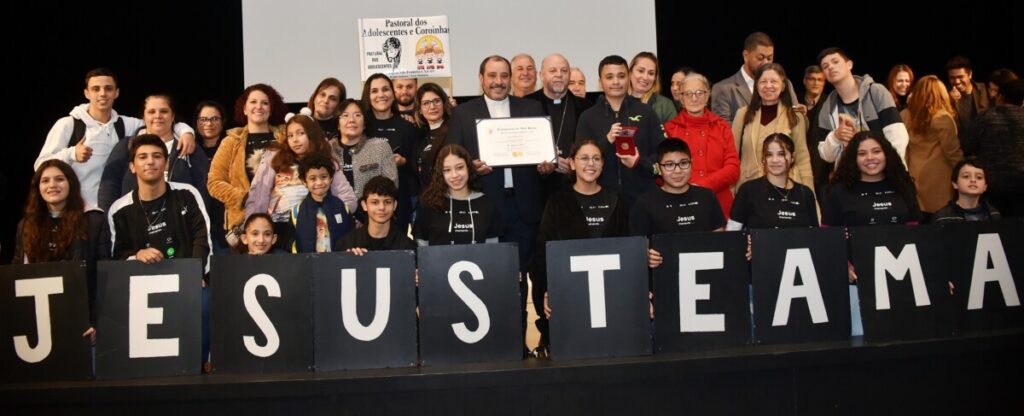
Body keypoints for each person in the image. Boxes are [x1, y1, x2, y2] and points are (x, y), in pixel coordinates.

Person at [35, 68, 195, 211]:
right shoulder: (68, 124)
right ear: (86, 93)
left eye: (108, 89)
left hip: (106, 210)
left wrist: (186, 132)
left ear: (116, 93)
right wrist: (71, 154)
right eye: (96, 89)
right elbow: (41, 166)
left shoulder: (124, 124)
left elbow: (158, 123)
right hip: (74, 210)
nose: (102, 93)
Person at [532, 138, 631, 356]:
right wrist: (547, 289)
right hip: (569, 296)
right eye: (584, 158)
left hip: (612, 299)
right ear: (572, 163)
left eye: (597, 158)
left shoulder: (618, 200)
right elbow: (543, 251)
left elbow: (629, 249)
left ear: (603, 164)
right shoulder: (557, 202)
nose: (591, 164)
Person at [13, 160, 109, 341]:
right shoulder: (26, 225)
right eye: (45, 181)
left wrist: (96, 321)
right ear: (37, 187)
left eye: (59, 179)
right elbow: (18, 271)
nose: (52, 185)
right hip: (38, 322)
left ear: (71, 184)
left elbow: (103, 277)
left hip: (81, 322)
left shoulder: (94, 221)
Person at [245, 114, 357, 250]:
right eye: (290, 135)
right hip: (277, 226)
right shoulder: (274, 157)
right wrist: (254, 226)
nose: (295, 140)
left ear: (312, 134)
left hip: (311, 226)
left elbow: (348, 201)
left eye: (300, 133)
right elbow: (258, 195)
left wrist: (326, 216)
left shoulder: (327, 162)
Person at [108, 134, 211, 267]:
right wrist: (137, 255)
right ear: (132, 166)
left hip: (187, 278)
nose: (150, 161)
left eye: (157, 156)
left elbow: (202, 239)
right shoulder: (118, 210)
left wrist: (196, 274)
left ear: (166, 163)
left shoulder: (188, 194)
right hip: (142, 282)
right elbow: (117, 256)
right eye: (143, 157)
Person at [576, 54, 664, 205]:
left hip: (643, 200)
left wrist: (638, 162)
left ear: (628, 77)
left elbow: (662, 157)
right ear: (600, 82)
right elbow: (580, 161)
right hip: (601, 202)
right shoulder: (587, 117)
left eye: (621, 76)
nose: (616, 82)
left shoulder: (647, 113)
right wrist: (606, 141)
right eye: (609, 77)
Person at [98, 94, 211, 212]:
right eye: (151, 112)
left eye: (164, 111)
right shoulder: (126, 146)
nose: (158, 116)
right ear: (143, 117)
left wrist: (198, 222)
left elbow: (204, 188)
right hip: (134, 224)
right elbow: (109, 188)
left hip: (180, 225)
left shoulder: (189, 146)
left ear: (173, 116)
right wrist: (108, 224)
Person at [208, 84, 287, 246]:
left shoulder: (285, 138)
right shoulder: (231, 141)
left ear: (271, 109)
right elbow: (214, 182)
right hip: (244, 223)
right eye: (253, 102)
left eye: (265, 103)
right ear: (244, 109)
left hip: (281, 221)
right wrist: (245, 198)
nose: (259, 106)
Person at [816, 47, 909, 166]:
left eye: (835, 61)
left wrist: (884, 167)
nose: (830, 67)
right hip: (850, 178)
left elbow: (897, 136)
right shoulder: (827, 107)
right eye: (825, 66)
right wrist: (835, 137)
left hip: (886, 173)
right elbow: (826, 156)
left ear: (849, 64)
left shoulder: (875, 92)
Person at [663, 72, 740, 216]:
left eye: (699, 92)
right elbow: (663, 171)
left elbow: (733, 168)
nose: (694, 98)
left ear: (707, 96)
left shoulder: (722, 127)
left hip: (719, 204)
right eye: (688, 93)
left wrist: (702, 187)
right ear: (681, 98)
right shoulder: (670, 129)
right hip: (681, 204)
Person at [731, 64, 814, 191]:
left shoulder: (795, 116)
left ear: (783, 86)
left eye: (774, 81)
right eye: (763, 81)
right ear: (756, 86)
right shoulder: (742, 115)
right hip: (749, 190)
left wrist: (810, 198)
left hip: (785, 189)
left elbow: (802, 159)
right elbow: (732, 157)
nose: (768, 86)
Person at [822, 131, 921, 228]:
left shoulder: (903, 187)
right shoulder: (838, 192)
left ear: (886, 154)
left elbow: (916, 231)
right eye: (862, 154)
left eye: (876, 151)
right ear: (853, 158)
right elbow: (827, 236)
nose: (870, 157)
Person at [630, 139, 725, 237]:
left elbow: (719, 241)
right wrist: (647, 252)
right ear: (658, 168)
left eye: (683, 163)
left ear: (691, 164)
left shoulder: (707, 197)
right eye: (669, 165)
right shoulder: (645, 203)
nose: (678, 171)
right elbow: (638, 245)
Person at [413, 144, 502, 245]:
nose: (454, 175)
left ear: (468, 167)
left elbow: (493, 249)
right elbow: (422, 247)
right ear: (440, 173)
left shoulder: (487, 204)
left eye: (459, 167)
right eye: (447, 170)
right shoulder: (428, 204)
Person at [361, 73, 418, 230]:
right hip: (365, 204)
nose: (381, 95)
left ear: (393, 94)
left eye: (385, 89)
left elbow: (417, 165)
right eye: (374, 91)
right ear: (367, 95)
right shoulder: (361, 126)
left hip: (400, 201)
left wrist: (403, 162)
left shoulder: (407, 126)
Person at [728, 133, 818, 230]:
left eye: (781, 154)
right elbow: (732, 234)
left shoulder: (805, 193)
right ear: (763, 158)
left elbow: (814, 237)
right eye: (769, 155)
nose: (774, 160)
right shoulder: (748, 190)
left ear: (792, 157)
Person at [901, 75, 963, 217]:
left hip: (914, 177)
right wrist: (963, 173)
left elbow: (904, 150)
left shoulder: (905, 115)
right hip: (940, 181)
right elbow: (952, 152)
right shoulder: (942, 118)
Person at [526, 53, 593, 181]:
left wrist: (576, 161)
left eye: (564, 70)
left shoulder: (586, 107)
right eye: (552, 70)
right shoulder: (526, 105)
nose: (559, 74)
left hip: (575, 182)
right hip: (537, 185)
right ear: (541, 75)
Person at [963, 78, 1024, 217]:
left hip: (993, 185)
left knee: (997, 226)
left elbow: (967, 146)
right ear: (1022, 100)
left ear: (1001, 96)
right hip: (1022, 183)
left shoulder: (985, 117)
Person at [710, 32, 799, 123]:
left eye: (769, 58)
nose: (766, 63)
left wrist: (800, 114)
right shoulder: (723, 89)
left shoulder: (784, 84)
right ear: (745, 56)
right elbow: (721, 129)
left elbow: (800, 123)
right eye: (760, 58)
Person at [331, 99, 398, 199]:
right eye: (345, 116)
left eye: (357, 115)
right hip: (335, 212)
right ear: (337, 124)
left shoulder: (380, 147)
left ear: (364, 123)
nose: (351, 120)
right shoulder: (327, 149)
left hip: (372, 212)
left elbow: (391, 185)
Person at [289, 153, 354, 253]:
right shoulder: (296, 212)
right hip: (308, 265)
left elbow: (351, 238)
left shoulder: (341, 207)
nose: (319, 183)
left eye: (323, 177)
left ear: (331, 178)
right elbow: (292, 243)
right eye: (313, 178)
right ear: (304, 182)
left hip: (338, 264)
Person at [338, 176, 415, 254]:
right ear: (364, 205)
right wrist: (348, 260)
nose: (382, 207)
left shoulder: (407, 248)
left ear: (394, 205)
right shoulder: (347, 244)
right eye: (375, 202)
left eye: (387, 202)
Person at [193, 101, 229, 253]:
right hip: (198, 222)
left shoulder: (232, 147)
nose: (209, 123)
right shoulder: (190, 150)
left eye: (215, 119)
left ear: (222, 122)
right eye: (203, 119)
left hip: (225, 224)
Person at [933, 157, 1003, 222]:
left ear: (985, 186)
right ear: (955, 184)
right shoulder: (943, 218)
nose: (973, 180)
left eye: (979, 177)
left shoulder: (993, 214)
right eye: (966, 176)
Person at [413, 83, 454, 192]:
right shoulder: (418, 135)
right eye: (426, 103)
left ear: (444, 104)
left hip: (450, 195)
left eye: (436, 101)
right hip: (427, 198)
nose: (432, 107)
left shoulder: (455, 130)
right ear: (420, 110)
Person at [947, 56, 991, 141]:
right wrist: (948, 100)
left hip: (983, 144)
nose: (956, 81)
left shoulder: (984, 90)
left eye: (960, 77)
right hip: (960, 147)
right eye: (952, 78)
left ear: (970, 74)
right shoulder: (945, 93)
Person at [628, 52, 678, 123]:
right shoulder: (618, 101)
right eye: (641, 71)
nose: (645, 77)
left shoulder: (665, 105)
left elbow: (674, 133)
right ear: (630, 72)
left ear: (655, 78)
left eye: (651, 73)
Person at [303, 78, 346, 142]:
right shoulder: (299, 123)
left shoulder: (343, 130)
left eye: (332, 99)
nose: (326, 101)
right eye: (322, 95)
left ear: (339, 105)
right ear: (314, 97)